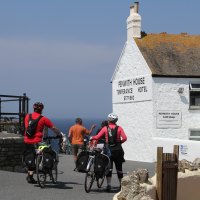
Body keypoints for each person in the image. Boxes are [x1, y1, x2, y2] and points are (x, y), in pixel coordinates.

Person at [24, 102, 63, 184]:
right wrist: (59, 135)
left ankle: (30, 176)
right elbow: (53, 128)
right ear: (41, 109)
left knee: (30, 156)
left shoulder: (28, 116)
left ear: (33, 108)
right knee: (47, 150)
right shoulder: (43, 119)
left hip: (27, 140)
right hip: (37, 141)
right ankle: (44, 167)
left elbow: (27, 127)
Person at [90, 113, 127, 192]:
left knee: (109, 168)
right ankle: (121, 186)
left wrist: (91, 137)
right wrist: (119, 142)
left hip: (109, 150)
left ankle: (109, 185)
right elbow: (125, 138)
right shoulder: (119, 128)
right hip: (118, 150)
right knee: (119, 168)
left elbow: (97, 137)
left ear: (109, 120)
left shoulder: (105, 128)